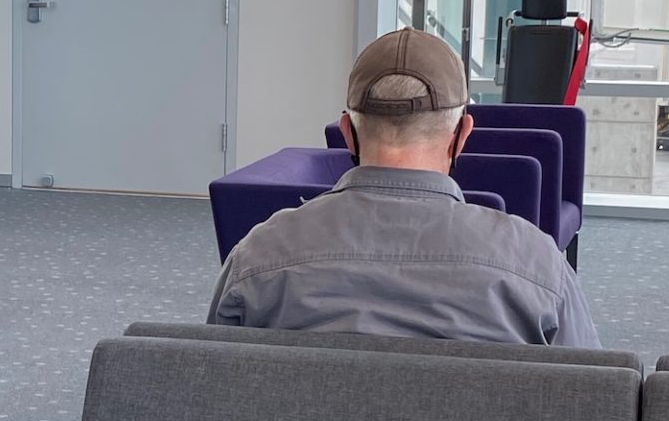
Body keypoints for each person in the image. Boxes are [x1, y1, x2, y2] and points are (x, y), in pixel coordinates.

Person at [209, 27, 600, 346]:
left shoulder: (259, 256)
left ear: (348, 133)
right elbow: (594, 405)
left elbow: (209, 395)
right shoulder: (535, 264)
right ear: (462, 135)